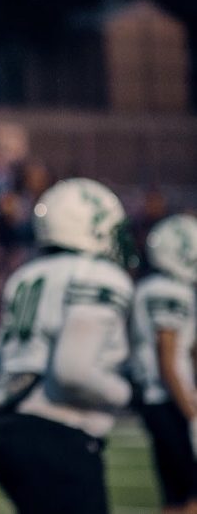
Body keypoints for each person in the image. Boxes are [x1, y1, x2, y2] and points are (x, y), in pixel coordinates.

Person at [0, 177, 135, 514]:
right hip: (55, 432)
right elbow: (73, 372)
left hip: (3, 431)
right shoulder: (97, 275)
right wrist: (127, 392)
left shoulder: (26, 275)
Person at [128, 213, 197, 514]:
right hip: (168, 398)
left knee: (174, 495)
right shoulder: (170, 290)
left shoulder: (149, 287)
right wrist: (192, 412)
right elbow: (167, 358)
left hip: (155, 398)